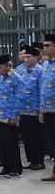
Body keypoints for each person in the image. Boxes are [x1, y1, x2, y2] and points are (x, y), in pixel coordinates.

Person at [0, 54, 24, 179]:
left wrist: (14, 115)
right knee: (2, 144)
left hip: (9, 117)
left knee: (11, 144)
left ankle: (16, 169)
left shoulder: (16, 79)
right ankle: (6, 166)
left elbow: (19, 98)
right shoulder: (2, 79)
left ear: (7, 66)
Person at [19, 46, 46, 171]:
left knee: (36, 137)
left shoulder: (41, 71)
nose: (26, 60)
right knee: (26, 137)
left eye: (28, 57)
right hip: (22, 109)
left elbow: (42, 91)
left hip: (34, 110)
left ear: (35, 58)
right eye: (24, 57)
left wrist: (41, 109)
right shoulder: (22, 71)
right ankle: (31, 160)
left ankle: (39, 161)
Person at [41, 33, 55, 182]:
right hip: (47, 109)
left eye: (47, 46)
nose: (44, 49)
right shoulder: (45, 65)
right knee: (52, 143)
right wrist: (41, 109)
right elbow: (42, 88)